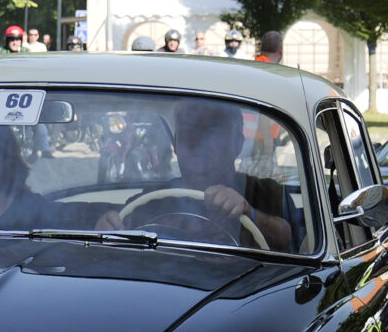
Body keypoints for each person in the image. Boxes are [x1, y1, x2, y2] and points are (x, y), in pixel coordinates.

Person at [99, 99, 293, 250]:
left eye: (212, 131)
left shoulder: (266, 193)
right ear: (176, 144)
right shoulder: (148, 201)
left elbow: (290, 242)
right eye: (188, 130)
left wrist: (249, 213)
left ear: (237, 143)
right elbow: (119, 247)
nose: (197, 142)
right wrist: (107, 228)